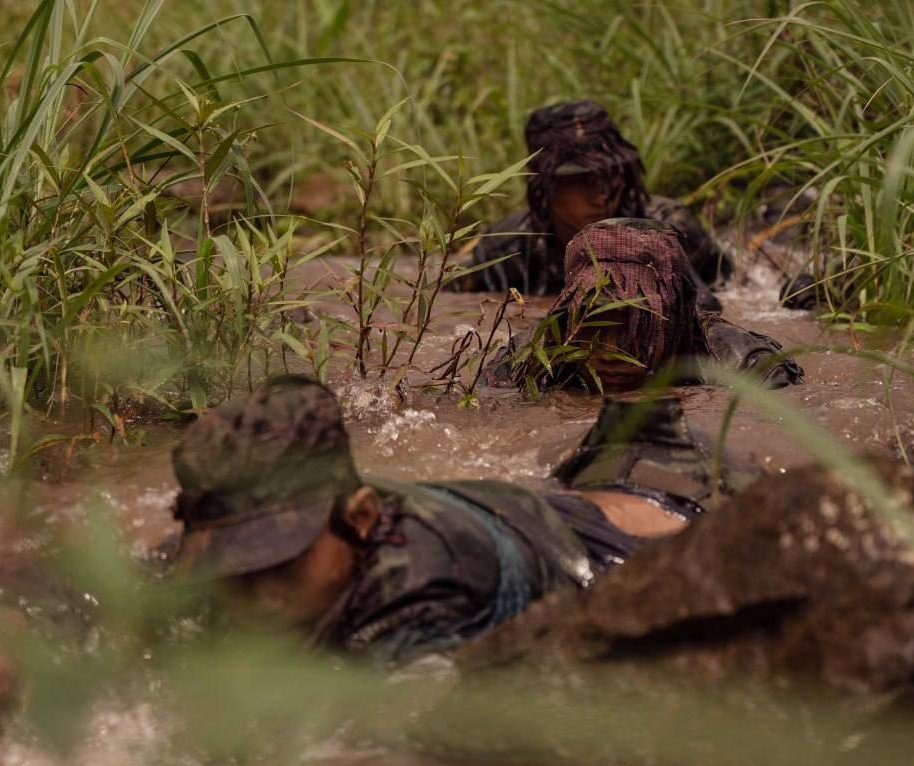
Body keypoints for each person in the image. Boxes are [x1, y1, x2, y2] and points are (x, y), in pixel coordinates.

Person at [168, 376, 722, 666]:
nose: (255, 596)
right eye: (234, 569)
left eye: (279, 566)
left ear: (359, 518)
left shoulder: (426, 587)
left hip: (641, 528)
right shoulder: (267, 526)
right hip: (526, 509)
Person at [458, 100, 731, 311]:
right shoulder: (505, 249)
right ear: (546, 187)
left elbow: (714, 304)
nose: (601, 194)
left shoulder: (668, 231)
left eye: (611, 174)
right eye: (581, 180)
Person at [484, 218, 804, 393]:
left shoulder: (743, 365)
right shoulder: (530, 359)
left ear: (674, 316)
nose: (610, 352)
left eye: (637, 324)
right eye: (594, 324)